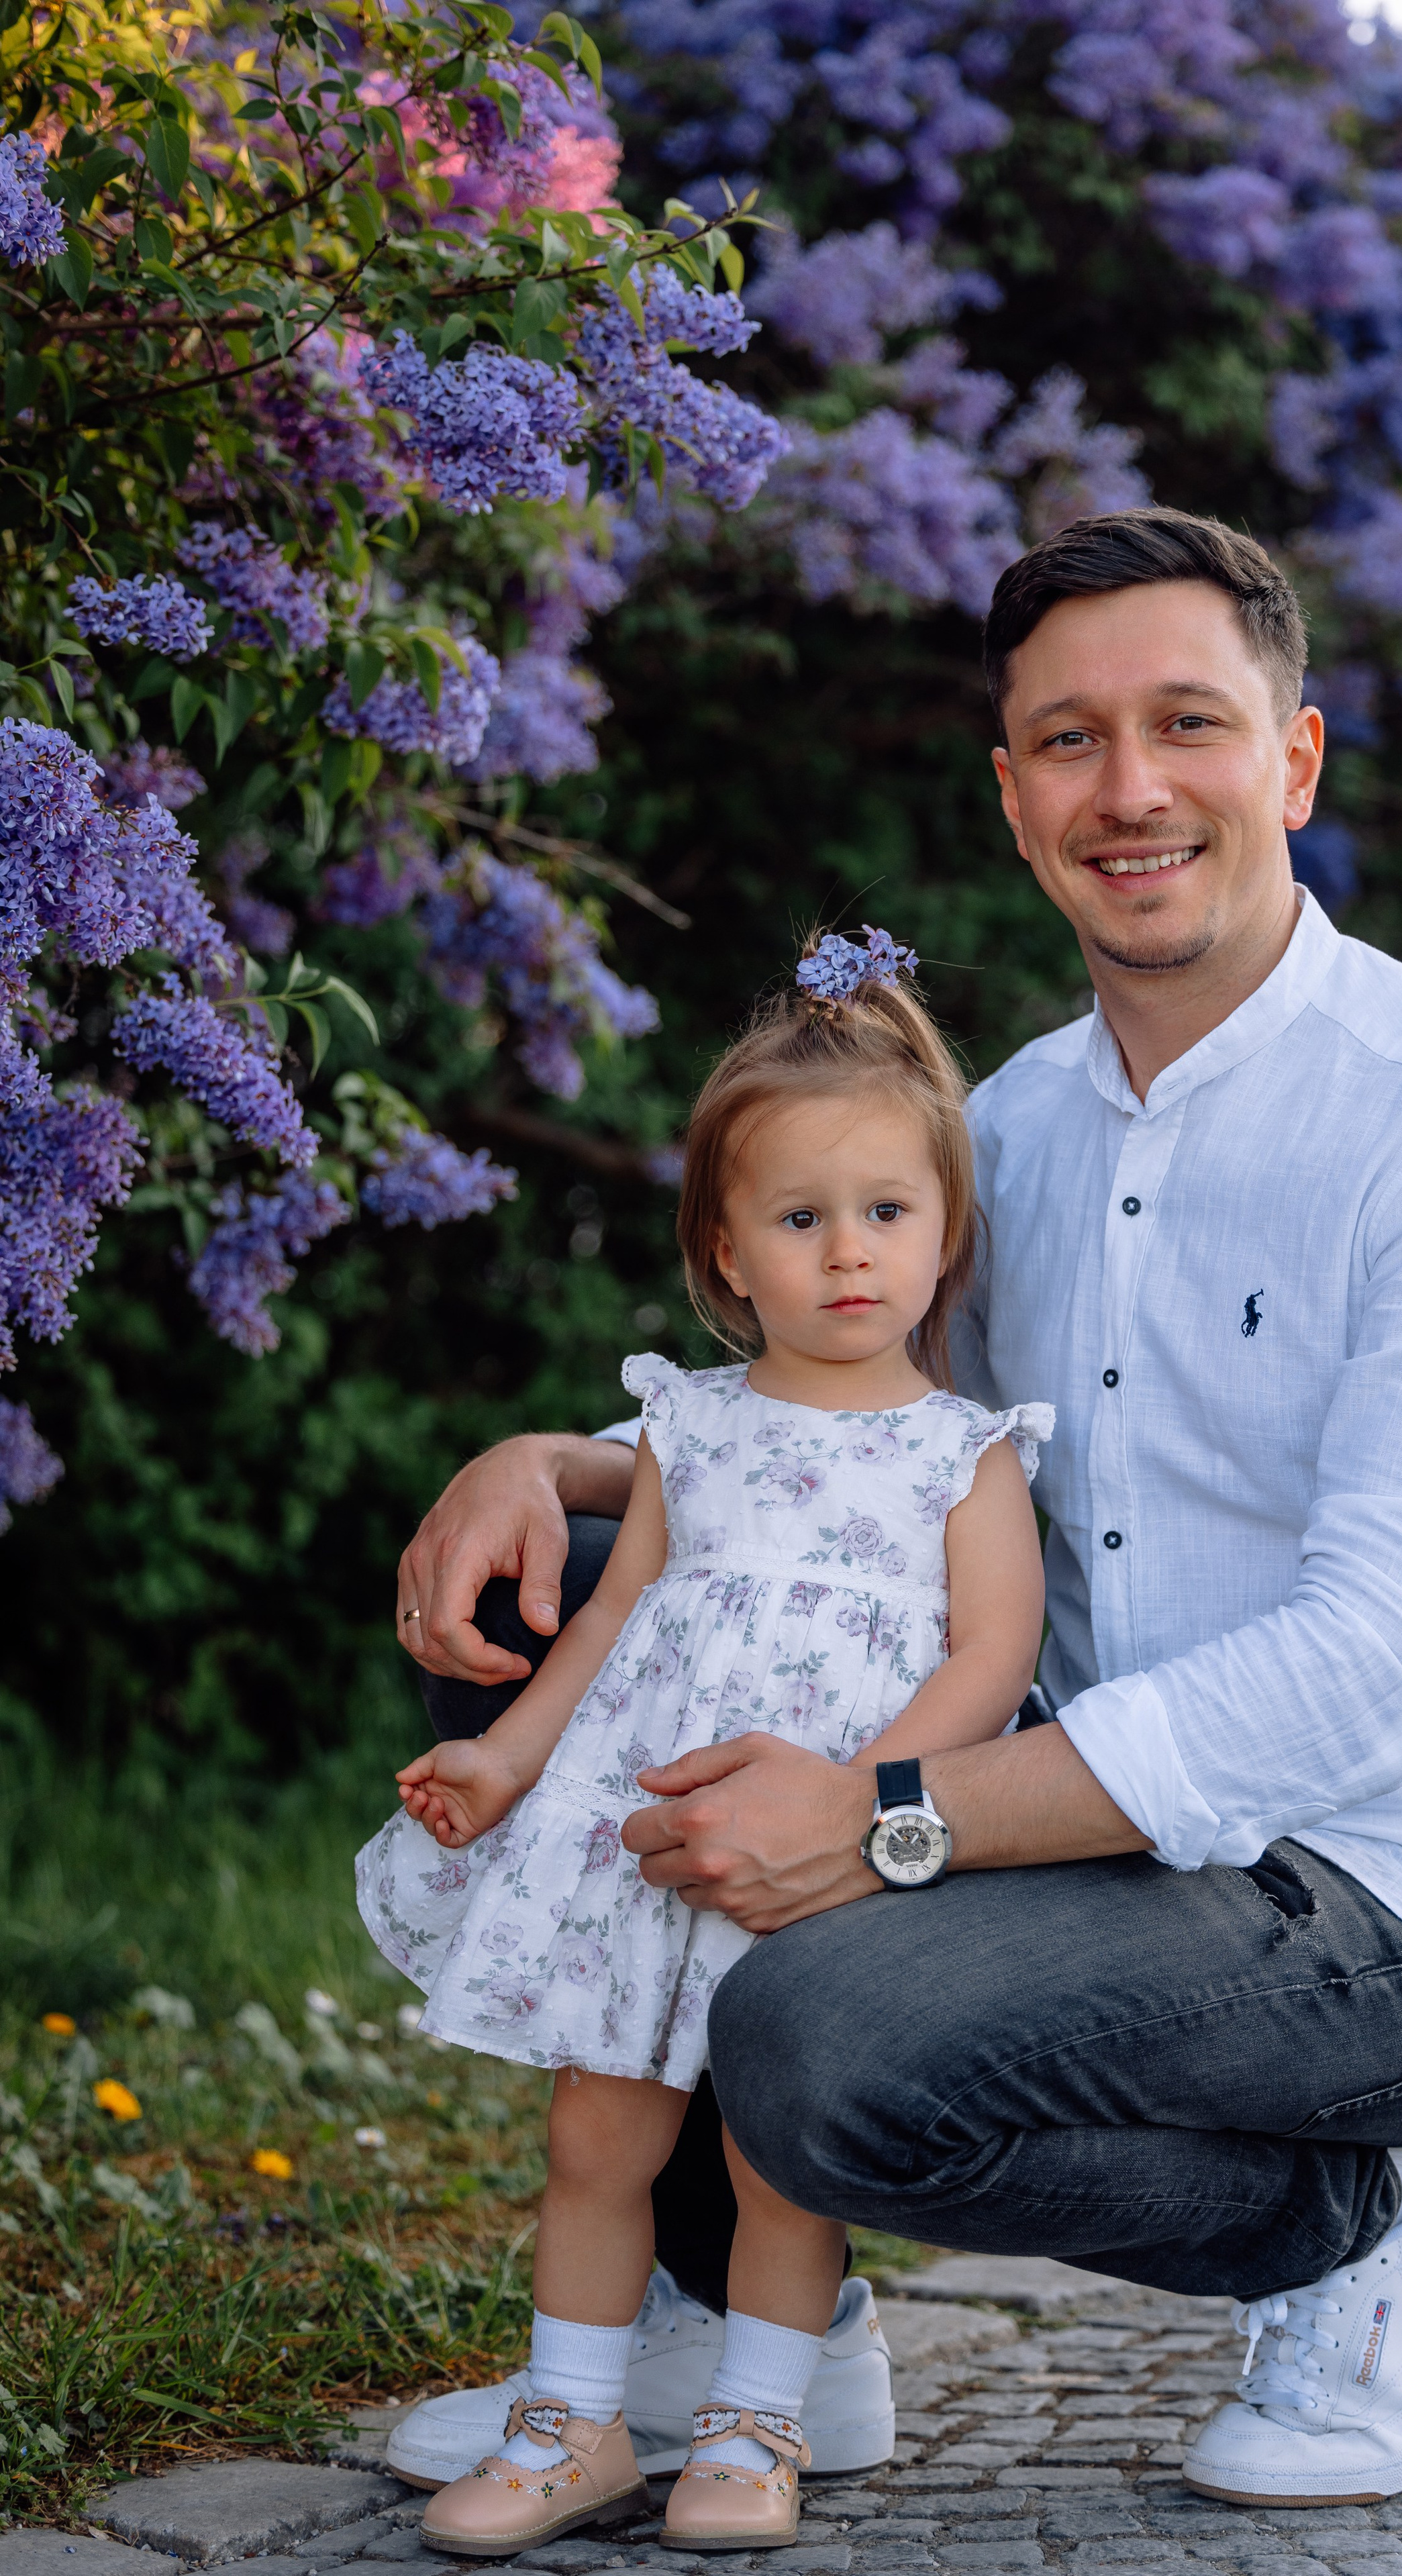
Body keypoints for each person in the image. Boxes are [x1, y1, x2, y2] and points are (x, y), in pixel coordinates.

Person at [391, 505, 1402, 2512]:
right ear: (1010, 792)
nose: (1129, 788)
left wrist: (895, 1815)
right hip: (1068, 1832)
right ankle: (769, 2353)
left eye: (1187, 725)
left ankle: (1377, 2215)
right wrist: (554, 1466)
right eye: (1069, 739)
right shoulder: (1007, 1134)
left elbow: (1383, 1661)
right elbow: (856, 1453)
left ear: (1295, 761)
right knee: (584, 1612)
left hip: (1394, 1898)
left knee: (820, 2031)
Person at [358, 952, 1053, 2555]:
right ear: (724, 1252)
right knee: (595, 2134)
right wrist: (507, 1760)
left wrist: (863, 1801)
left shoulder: (964, 1452)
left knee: (772, 2151)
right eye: (799, 1218)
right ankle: (569, 2425)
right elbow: (607, 1626)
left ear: (944, 1231)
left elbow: (990, 1656)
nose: (848, 1250)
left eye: (885, 1209)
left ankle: (753, 2429)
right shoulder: (690, 1424)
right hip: (646, 1836)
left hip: (820, 1851)